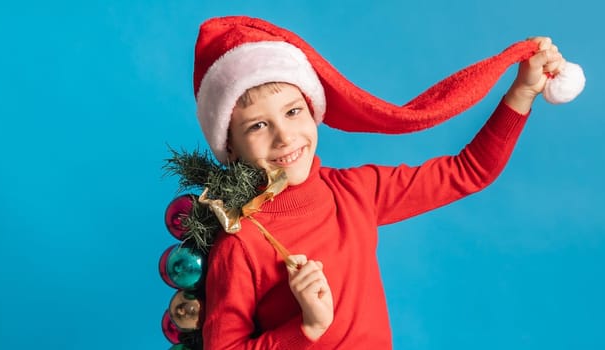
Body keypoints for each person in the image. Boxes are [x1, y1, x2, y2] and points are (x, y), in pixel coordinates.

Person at [191, 16, 583, 349]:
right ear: (232, 146)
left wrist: (523, 92)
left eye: (294, 112)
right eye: (258, 126)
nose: (284, 136)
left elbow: (469, 171)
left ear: (314, 112)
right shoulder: (241, 245)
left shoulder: (356, 192)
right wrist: (305, 329)